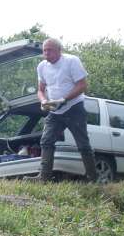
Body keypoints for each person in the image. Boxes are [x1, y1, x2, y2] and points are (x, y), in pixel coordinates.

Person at [36, 38, 98, 182]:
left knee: (82, 144)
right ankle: (44, 178)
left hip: (74, 108)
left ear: (59, 50)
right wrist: (43, 101)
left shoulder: (71, 61)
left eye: (49, 50)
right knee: (46, 141)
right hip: (54, 110)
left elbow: (82, 85)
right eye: (44, 50)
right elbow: (40, 90)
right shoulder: (41, 66)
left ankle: (93, 179)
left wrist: (63, 100)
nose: (46, 53)